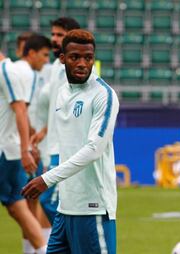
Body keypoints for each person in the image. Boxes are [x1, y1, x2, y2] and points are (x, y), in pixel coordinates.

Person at [22, 29, 119, 254]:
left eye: (88, 57)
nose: (83, 63)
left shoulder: (103, 95)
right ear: (63, 58)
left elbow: (94, 149)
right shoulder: (63, 93)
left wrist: (46, 179)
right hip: (65, 210)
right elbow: (66, 140)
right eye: (75, 57)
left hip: (92, 208)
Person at [30, 17, 80, 226]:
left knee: (51, 203)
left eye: (59, 35)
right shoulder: (55, 69)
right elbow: (55, 107)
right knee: (52, 204)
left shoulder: (73, 69)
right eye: (53, 34)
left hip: (64, 148)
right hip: (52, 146)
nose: (54, 39)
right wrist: (44, 130)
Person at [0, 54, 47, 253]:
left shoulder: (6, 71)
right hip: (11, 148)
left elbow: (20, 109)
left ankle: (44, 250)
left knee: (17, 205)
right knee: (22, 205)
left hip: (6, 150)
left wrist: (25, 148)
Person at [14, 33, 52, 254]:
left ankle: (39, 249)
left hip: (35, 146)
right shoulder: (25, 73)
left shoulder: (41, 74)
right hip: (27, 144)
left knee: (29, 202)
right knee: (23, 203)